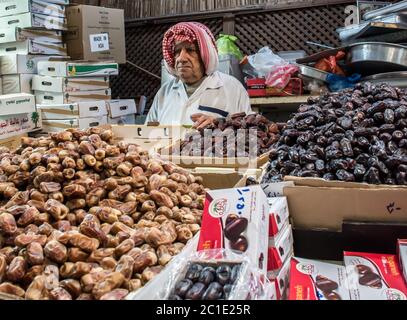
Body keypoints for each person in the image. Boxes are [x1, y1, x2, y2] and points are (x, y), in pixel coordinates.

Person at [146, 22, 252, 129]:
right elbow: (147, 133)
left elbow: (250, 133)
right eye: (177, 51)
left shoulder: (232, 88)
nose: (181, 59)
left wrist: (219, 125)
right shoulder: (164, 93)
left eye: (190, 50)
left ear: (205, 55)